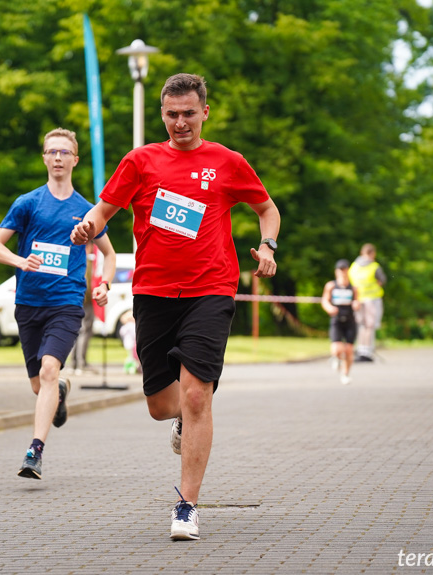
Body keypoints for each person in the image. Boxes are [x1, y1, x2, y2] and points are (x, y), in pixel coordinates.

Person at [70, 73, 280, 541]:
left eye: (189, 113)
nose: (180, 122)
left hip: (211, 289)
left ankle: (186, 505)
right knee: (162, 405)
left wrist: (267, 246)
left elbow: (268, 209)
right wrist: (86, 228)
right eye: (171, 114)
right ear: (162, 114)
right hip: (154, 293)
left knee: (197, 395)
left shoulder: (227, 162)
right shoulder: (140, 161)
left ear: (205, 111)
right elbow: (102, 212)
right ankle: (183, 418)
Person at [0, 128, 116, 480]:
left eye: (64, 152)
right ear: (44, 157)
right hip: (28, 303)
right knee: (40, 384)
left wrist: (103, 284)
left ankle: (34, 452)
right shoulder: (27, 203)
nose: (57, 157)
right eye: (51, 151)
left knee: (47, 370)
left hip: (67, 303)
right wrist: (20, 261)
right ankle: (58, 391)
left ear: (75, 159)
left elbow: (109, 254)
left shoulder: (87, 210)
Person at [321, 260, 360, 385]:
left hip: (349, 320)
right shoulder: (331, 286)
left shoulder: (353, 288)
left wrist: (356, 304)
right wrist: (329, 308)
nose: (342, 272)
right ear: (336, 271)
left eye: (344, 270)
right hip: (336, 320)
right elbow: (325, 300)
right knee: (337, 349)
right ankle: (337, 359)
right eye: (340, 270)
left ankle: (345, 374)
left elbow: (357, 302)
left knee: (348, 350)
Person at [348, 244, 386, 362]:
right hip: (372, 299)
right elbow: (382, 280)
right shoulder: (374, 266)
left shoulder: (353, 267)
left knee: (361, 325)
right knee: (370, 325)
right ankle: (367, 351)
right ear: (372, 253)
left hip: (358, 299)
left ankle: (360, 349)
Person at [68, 243, 97, 375]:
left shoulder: (73, 257)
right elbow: (87, 280)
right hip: (85, 299)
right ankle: (81, 363)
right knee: (85, 330)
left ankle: (74, 363)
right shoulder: (86, 259)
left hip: (75, 297)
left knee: (76, 330)